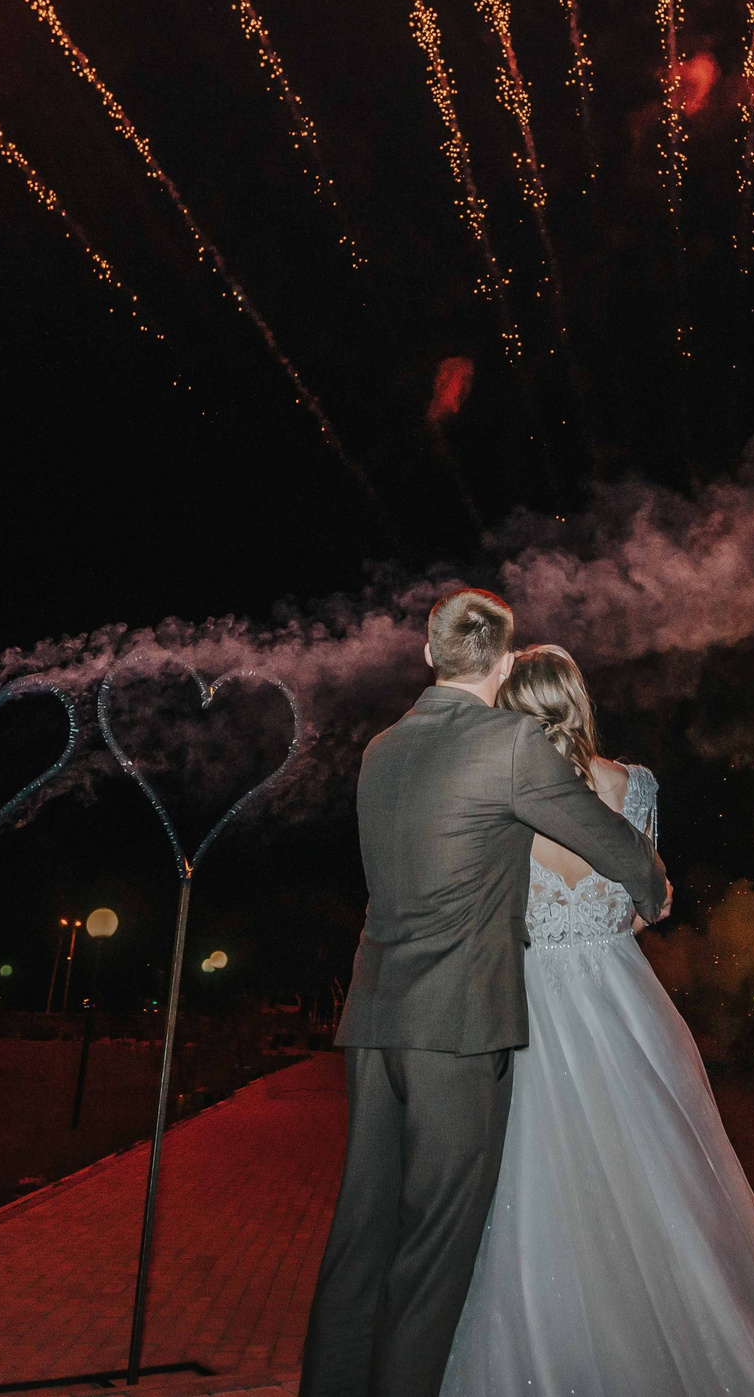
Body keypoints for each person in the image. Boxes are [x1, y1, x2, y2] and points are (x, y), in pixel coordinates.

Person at [299, 592, 672, 1397]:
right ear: (504, 663)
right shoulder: (510, 743)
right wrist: (653, 885)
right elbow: (605, 838)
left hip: (373, 1023)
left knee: (360, 1236)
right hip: (458, 1032)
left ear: (429, 656)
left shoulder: (380, 748)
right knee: (432, 1255)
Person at [437, 643, 754, 1397]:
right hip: (622, 1000)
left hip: (533, 1008)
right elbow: (640, 907)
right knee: (657, 1189)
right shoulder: (634, 784)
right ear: (579, 696)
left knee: (536, 1192)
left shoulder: (501, 794)